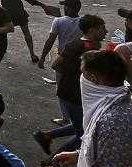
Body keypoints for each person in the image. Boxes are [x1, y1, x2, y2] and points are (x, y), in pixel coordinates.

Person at [39, 50, 132, 167]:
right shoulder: (118, 100)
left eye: (82, 74)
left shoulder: (115, 120)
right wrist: (79, 153)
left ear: (93, 79)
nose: (80, 79)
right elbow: (116, 152)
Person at [32, 15, 106, 157]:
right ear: (92, 30)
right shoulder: (78, 46)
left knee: (84, 123)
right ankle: (55, 159)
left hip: (78, 94)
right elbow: (56, 64)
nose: (106, 31)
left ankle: (46, 135)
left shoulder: (92, 46)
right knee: (83, 134)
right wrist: (76, 74)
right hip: (73, 94)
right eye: (102, 28)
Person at [38, 0, 82, 70]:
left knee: (60, 78)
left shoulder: (58, 21)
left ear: (68, 8)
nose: (64, 8)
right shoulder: (83, 21)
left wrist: (42, 58)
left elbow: (50, 41)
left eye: (65, 6)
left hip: (63, 56)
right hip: (79, 56)